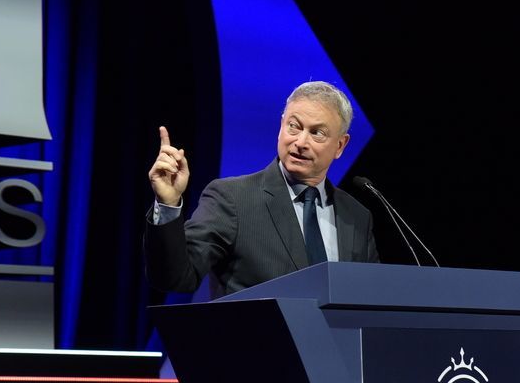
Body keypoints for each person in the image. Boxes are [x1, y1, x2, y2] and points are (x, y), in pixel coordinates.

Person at [145, 80, 379, 298]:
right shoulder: (233, 199)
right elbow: (176, 278)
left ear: (340, 145)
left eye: (317, 133)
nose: (300, 142)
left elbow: (371, 299)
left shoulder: (356, 216)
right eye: (294, 126)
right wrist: (167, 205)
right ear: (281, 126)